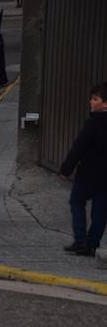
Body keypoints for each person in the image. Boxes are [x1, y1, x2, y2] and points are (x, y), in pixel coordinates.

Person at [59, 82, 107, 257]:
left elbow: (79, 147)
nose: (91, 102)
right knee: (100, 212)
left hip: (87, 174)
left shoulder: (94, 123)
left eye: (95, 99)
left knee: (76, 202)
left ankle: (80, 240)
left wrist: (66, 169)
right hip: (105, 178)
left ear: (105, 103)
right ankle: (92, 244)